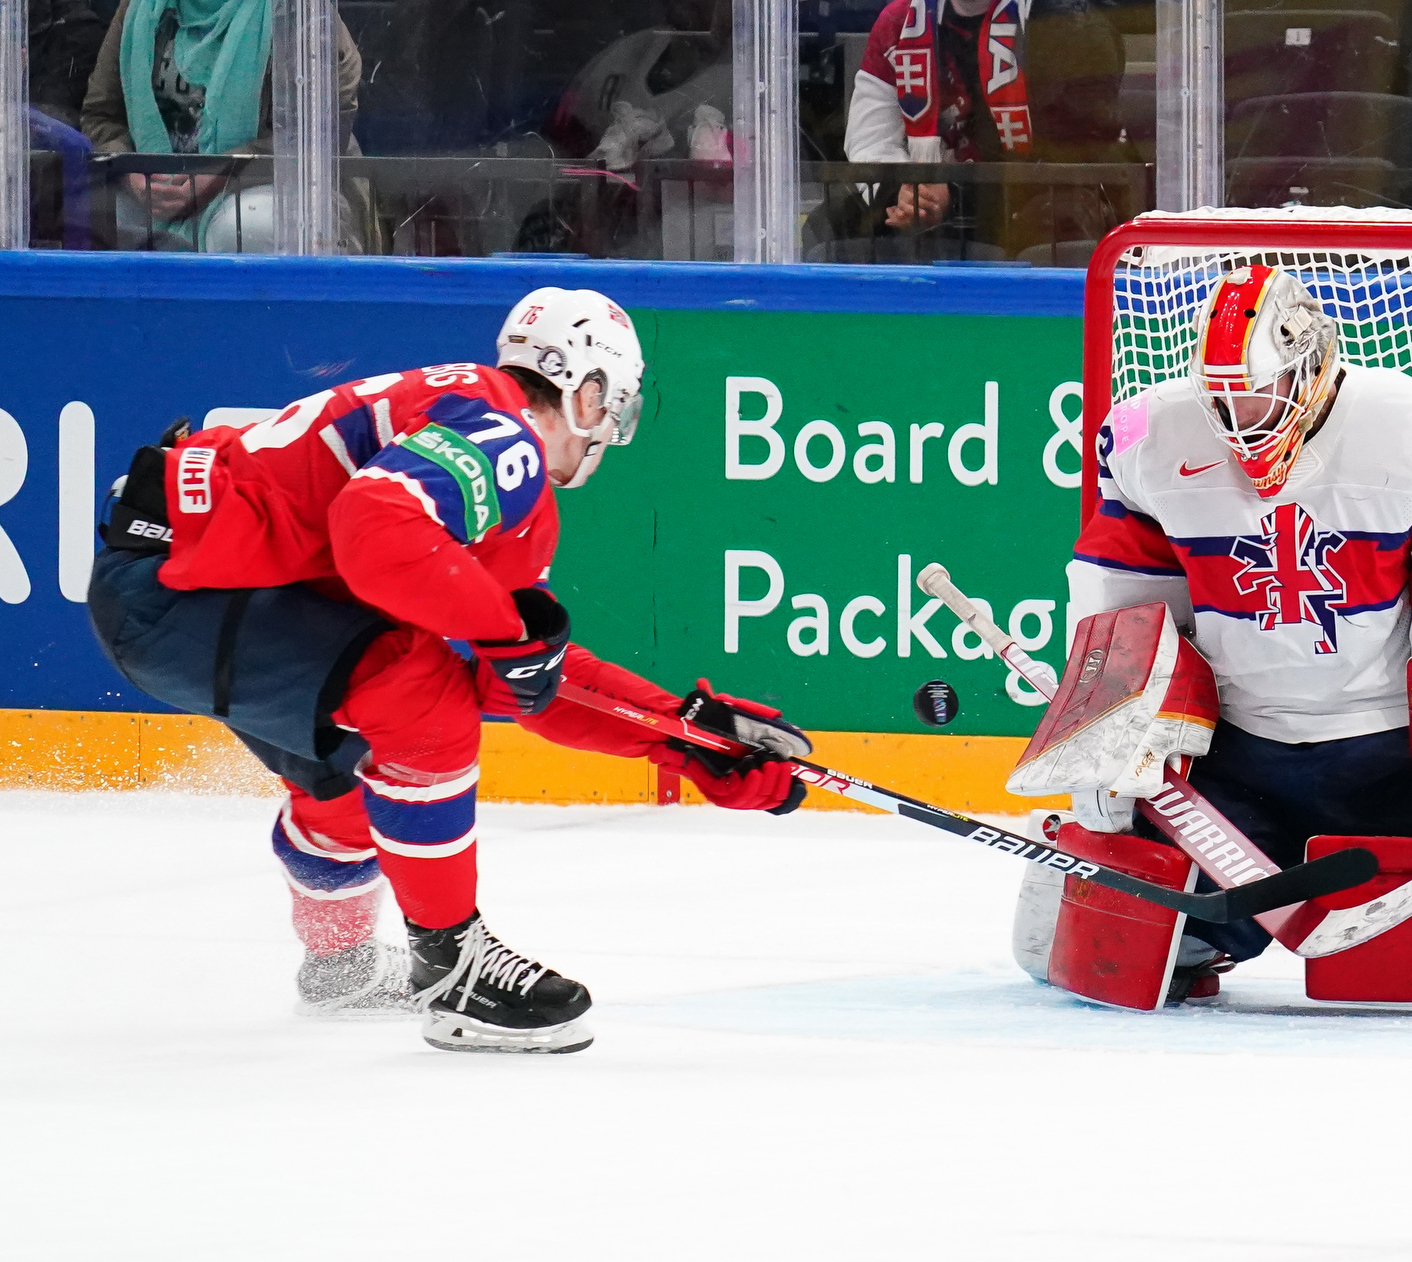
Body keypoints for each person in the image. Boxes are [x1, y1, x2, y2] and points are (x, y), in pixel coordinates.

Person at [87, 288, 808, 1054]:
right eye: (613, 408)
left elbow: (522, 677)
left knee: (361, 776)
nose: (609, 433)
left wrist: (685, 735)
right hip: (181, 590)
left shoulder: (476, 433)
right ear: (586, 392)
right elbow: (375, 527)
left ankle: (340, 966)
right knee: (419, 699)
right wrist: (506, 633)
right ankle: (454, 968)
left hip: (195, 586)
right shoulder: (502, 434)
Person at [1054, 263, 1412, 998]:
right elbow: (1130, 619)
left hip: (1394, 762)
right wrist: (1109, 737)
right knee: (1138, 954)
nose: (1242, 421)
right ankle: (1206, 927)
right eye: (1222, 400)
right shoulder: (1148, 437)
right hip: (1237, 761)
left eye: (1259, 392)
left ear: (1313, 365)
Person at [831, 0, 1132, 260]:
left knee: (1050, 225)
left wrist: (956, 194)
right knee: (832, 224)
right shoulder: (898, 22)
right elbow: (870, 138)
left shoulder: (1065, 23)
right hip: (935, 216)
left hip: (1032, 207)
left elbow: (1070, 152)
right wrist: (906, 192)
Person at [80, 0, 363, 252]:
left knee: (243, 226)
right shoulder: (137, 8)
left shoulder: (299, 10)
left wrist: (222, 173)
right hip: (154, 190)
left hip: (264, 185)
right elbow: (101, 114)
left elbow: (321, 131)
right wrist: (131, 172)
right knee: (95, 215)